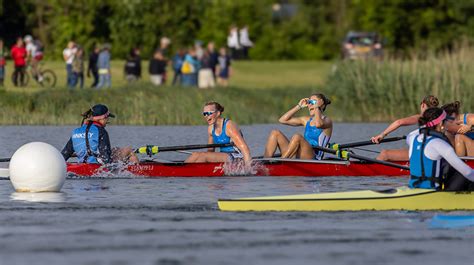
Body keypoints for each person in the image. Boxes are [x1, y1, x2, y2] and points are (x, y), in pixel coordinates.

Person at [406, 107, 473, 191]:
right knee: (463, 174)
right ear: (441, 123)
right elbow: (467, 172)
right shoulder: (440, 144)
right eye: (447, 121)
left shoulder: (412, 139)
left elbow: (412, 134)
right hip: (432, 192)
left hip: (413, 188)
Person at [61, 104, 138, 164]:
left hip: (82, 165)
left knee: (115, 149)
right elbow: (106, 158)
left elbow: (64, 155)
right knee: (129, 150)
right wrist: (118, 165)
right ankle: (138, 172)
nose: (107, 120)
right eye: (107, 117)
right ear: (102, 118)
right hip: (97, 167)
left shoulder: (76, 131)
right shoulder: (101, 131)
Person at [264, 93, 332, 159]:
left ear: (321, 104)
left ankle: (282, 161)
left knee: (297, 137)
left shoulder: (327, 121)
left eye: (313, 102)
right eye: (309, 102)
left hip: (314, 157)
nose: (310, 105)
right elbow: (282, 120)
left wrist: (317, 107)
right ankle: (264, 164)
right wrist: (299, 106)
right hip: (299, 153)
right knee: (275, 133)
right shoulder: (306, 120)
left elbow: (318, 124)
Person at [371, 95, 439, 161]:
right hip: (430, 150)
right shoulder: (439, 119)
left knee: (384, 154)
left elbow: (399, 122)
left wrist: (382, 134)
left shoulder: (422, 117)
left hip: (422, 152)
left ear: (423, 105)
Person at [185, 101, 251, 167]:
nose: (206, 116)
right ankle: (182, 170)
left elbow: (245, 149)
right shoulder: (210, 129)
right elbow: (210, 150)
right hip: (224, 156)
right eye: (204, 114)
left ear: (218, 113)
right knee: (196, 154)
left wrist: (248, 169)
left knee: (202, 155)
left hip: (237, 156)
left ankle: (185, 172)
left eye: (209, 113)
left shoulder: (229, 126)